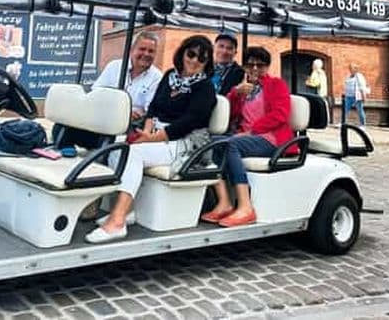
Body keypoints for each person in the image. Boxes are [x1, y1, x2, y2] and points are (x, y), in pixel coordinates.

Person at [86, 35, 216, 243]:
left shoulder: (205, 87)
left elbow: (190, 122)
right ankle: (127, 211)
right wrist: (145, 134)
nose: (194, 60)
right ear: (182, 53)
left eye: (201, 58)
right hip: (157, 135)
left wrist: (152, 138)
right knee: (118, 146)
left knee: (133, 153)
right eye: (190, 54)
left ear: (207, 63)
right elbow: (154, 108)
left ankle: (117, 221)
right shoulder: (169, 77)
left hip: (184, 143)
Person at [200, 46, 294, 228]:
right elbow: (232, 114)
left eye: (261, 65)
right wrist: (235, 94)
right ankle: (224, 202)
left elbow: (280, 114)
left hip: (271, 139)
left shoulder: (276, 85)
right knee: (210, 143)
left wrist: (253, 131)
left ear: (268, 66)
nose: (255, 69)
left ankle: (245, 205)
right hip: (246, 137)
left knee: (230, 145)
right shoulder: (246, 89)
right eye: (250, 65)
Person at [93, 31, 163, 119]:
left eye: (151, 51)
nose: (146, 54)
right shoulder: (114, 66)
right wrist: (123, 111)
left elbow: (150, 110)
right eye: (142, 49)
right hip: (106, 118)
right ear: (131, 50)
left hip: (134, 126)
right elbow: (96, 92)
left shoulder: (157, 78)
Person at [211, 32, 245, 97]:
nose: (224, 51)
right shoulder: (204, 68)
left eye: (229, 48)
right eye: (221, 46)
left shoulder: (241, 74)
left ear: (235, 52)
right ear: (214, 48)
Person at [343, 63, 370, 128]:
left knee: (360, 110)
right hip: (348, 96)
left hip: (356, 96)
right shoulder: (348, 76)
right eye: (350, 68)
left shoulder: (359, 76)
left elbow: (362, 87)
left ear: (355, 69)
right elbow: (346, 85)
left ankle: (363, 124)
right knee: (345, 109)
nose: (350, 70)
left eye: (351, 68)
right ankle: (342, 122)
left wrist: (364, 97)